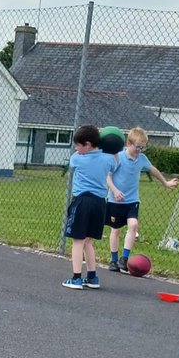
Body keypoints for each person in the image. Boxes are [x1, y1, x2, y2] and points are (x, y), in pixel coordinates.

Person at [106, 127, 179, 272]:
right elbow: (107, 177)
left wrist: (165, 183)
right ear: (129, 143)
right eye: (137, 147)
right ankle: (113, 260)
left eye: (142, 148)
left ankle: (124, 259)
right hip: (116, 201)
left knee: (133, 225)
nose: (139, 150)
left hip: (132, 200)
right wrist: (114, 190)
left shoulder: (142, 159)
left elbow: (153, 170)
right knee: (116, 230)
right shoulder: (118, 157)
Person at [63, 123, 117, 290]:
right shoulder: (108, 159)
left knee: (78, 241)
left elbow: (73, 162)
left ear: (87, 144)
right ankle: (92, 277)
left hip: (82, 202)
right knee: (88, 241)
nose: (76, 149)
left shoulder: (77, 158)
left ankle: (76, 278)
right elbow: (115, 163)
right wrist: (112, 147)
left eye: (78, 145)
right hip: (100, 204)